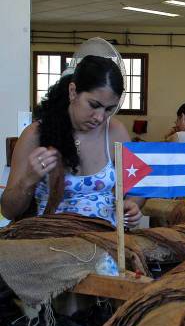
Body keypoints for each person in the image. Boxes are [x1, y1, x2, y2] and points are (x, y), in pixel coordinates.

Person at [0, 56, 143, 227]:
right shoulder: (35, 135)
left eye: (108, 109)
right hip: (51, 241)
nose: (99, 117)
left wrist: (133, 204)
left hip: (106, 239)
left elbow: (136, 185)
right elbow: (8, 211)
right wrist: (28, 179)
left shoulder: (115, 131)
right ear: (73, 91)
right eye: (93, 104)